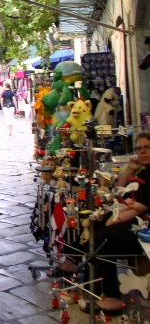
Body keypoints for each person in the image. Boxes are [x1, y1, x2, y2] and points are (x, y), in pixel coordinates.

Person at [48, 132, 150, 313]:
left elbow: (140, 207)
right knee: (92, 222)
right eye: (139, 148)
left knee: (104, 238)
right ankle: (73, 263)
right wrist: (129, 170)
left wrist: (115, 219)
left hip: (144, 228)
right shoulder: (143, 170)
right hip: (132, 217)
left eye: (147, 148)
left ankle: (112, 297)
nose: (142, 152)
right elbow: (119, 189)